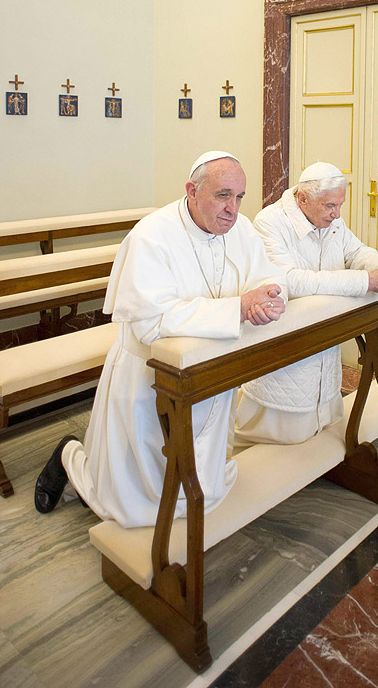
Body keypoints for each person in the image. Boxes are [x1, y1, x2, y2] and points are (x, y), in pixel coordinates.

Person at [34, 151, 286, 527]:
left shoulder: (242, 229)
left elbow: (265, 276)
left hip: (209, 373)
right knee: (130, 494)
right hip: (149, 378)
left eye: (239, 197)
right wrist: (238, 308)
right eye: (223, 195)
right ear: (192, 191)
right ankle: (68, 457)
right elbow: (151, 322)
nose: (233, 209)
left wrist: (267, 298)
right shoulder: (152, 236)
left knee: (200, 475)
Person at [235, 161, 378, 447]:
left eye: (340, 205)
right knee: (279, 436)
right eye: (330, 206)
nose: (337, 214)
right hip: (287, 335)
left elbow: (356, 252)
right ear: (303, 199)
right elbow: (290, 280)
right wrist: (367, 281)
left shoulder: (331, 219)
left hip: (325, 331)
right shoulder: (269, 222)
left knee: (323, 431)